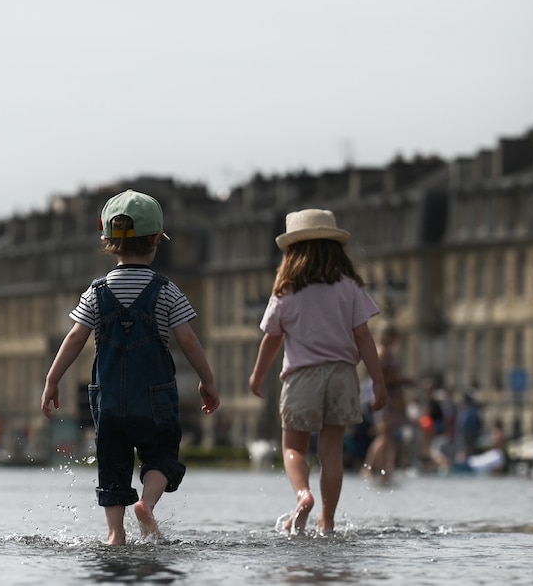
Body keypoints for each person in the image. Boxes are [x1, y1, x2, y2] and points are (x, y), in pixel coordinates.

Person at [40, 189, 220, 546]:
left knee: (112, 466)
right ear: (156, 239)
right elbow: (187, 340)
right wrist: (207, 381)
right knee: (161, 456)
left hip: (108, 400)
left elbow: (75, 338)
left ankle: (114, 533)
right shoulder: (166, 290)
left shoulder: (97, 291)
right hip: (155, 397)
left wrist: (52, 379)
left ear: (106, 240)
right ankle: (147, 504)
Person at [248, 208, 387, 534]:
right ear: (336, 248)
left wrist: (257, 375)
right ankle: (328, 520)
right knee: (331, 451)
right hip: (342, 376)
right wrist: (378, 381)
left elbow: (272, 339)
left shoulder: (286, 290)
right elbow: (363, 336)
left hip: (301, 377)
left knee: (294, 448)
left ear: (291, 253)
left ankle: (303, 494)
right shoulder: (349, 286)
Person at [363, 327, 408, 485]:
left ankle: (386, 468)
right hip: (386, 396)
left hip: (391, 397)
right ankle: (371, 467)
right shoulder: (382, 353)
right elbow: (382, 376)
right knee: (384, 434)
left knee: (388, 435)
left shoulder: (386, 352)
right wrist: (403, 380)